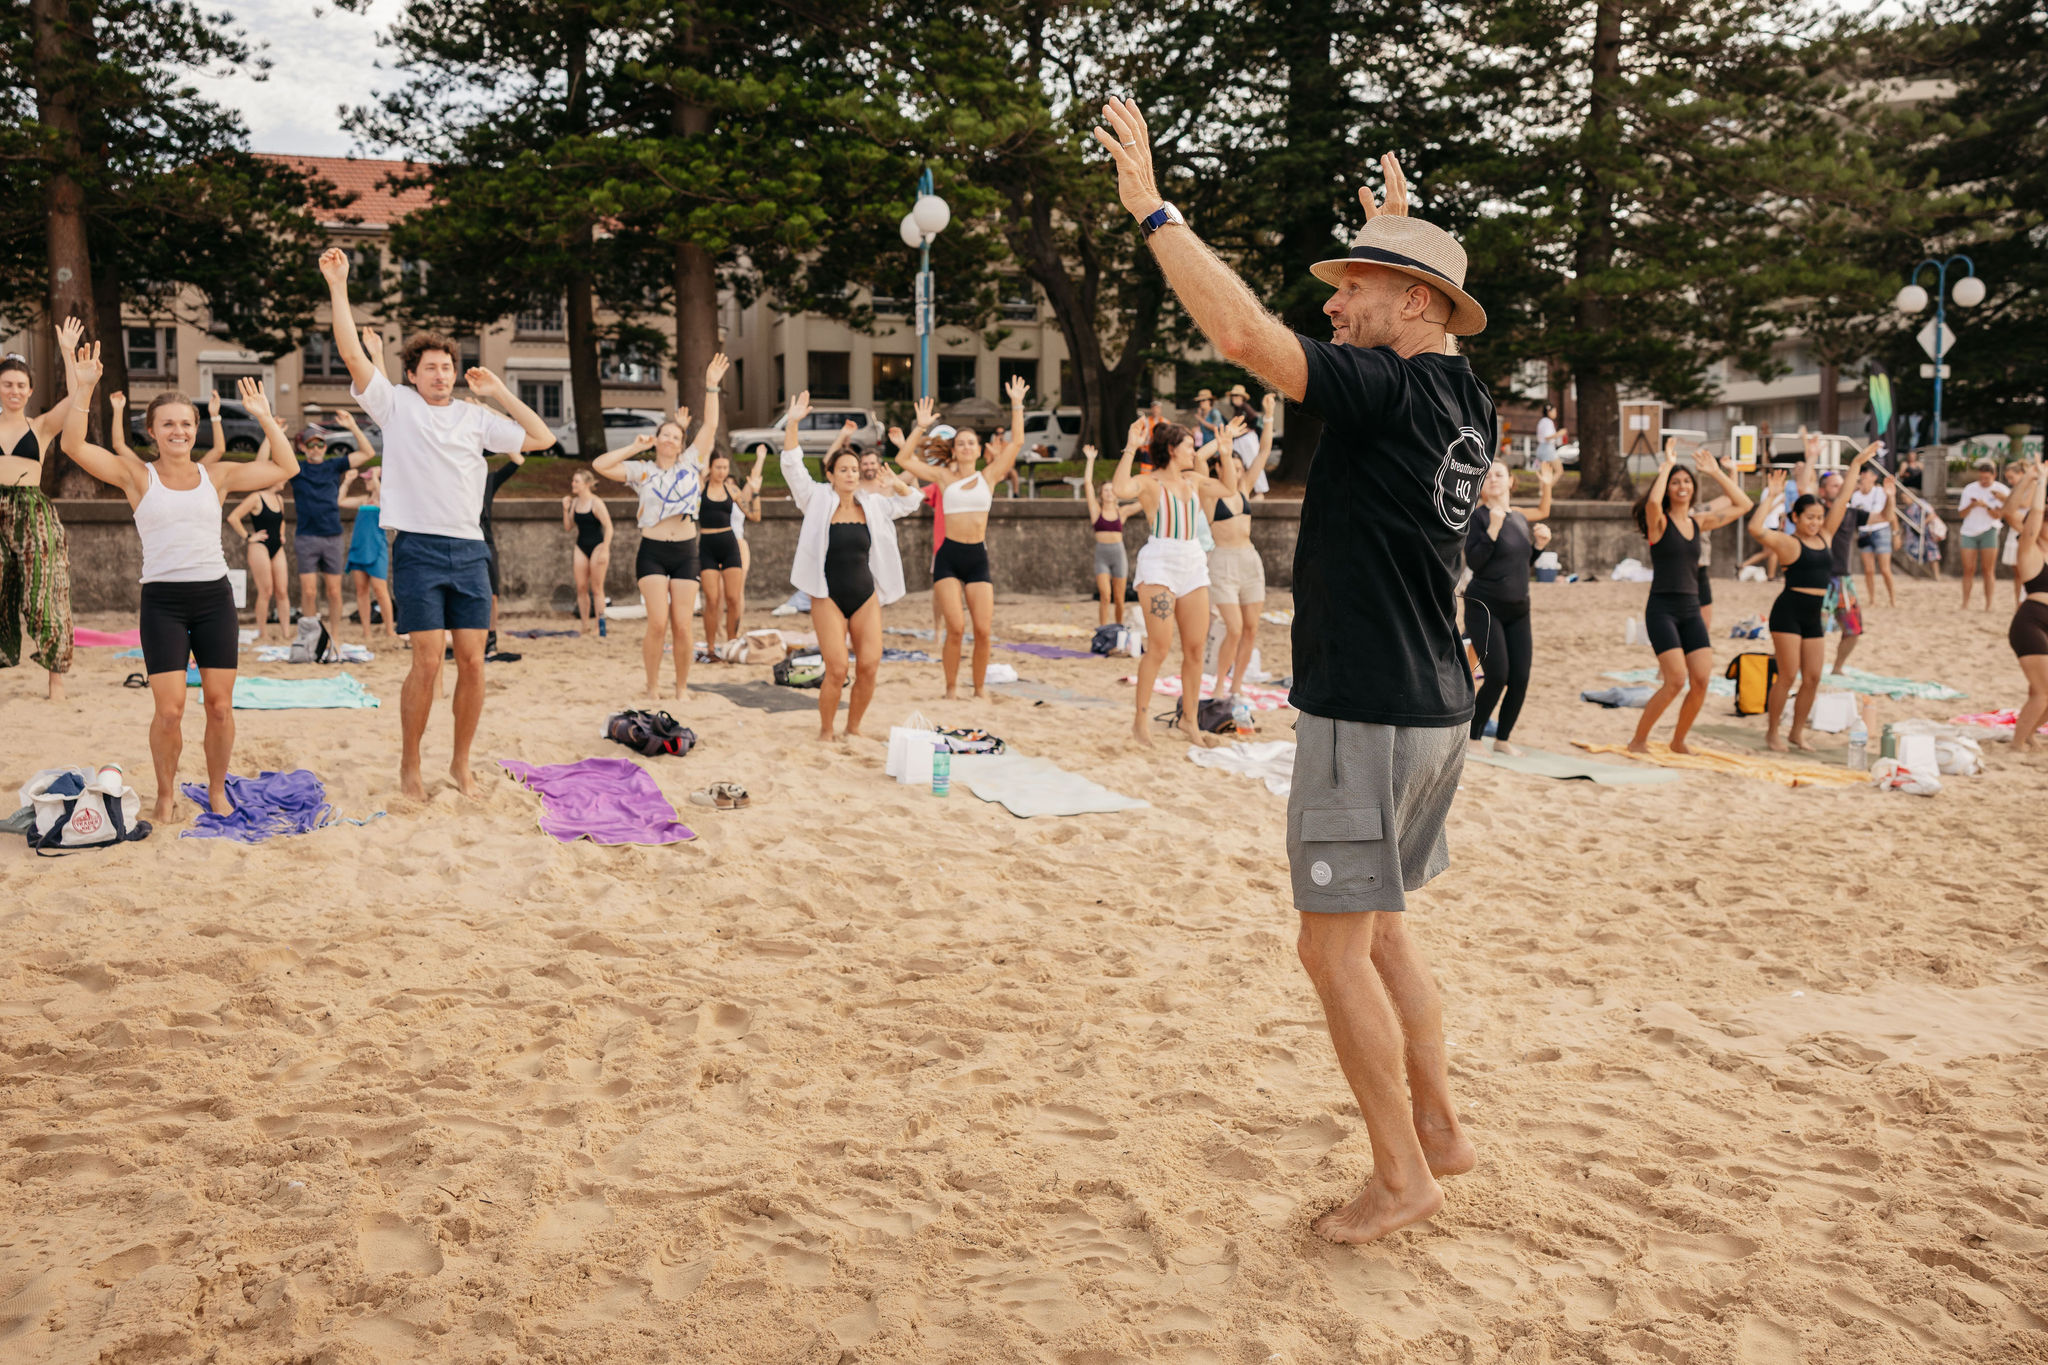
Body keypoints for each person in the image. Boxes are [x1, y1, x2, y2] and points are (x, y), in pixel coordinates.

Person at [1098, 105, 1481, 1241]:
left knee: (1328, 949)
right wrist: (1398, 238)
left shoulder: (1390, 387)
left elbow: (1247, 343)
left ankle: (1402, 1173)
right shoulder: (1462, 395)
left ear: (1412, 305)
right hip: (1433, 707)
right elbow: (1397, 319)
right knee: (1385, 930)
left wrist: (1156, 216)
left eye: (1351, 287)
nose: (1330, 302)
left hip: (1366, 707)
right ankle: (1444, 1130)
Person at [320, 246, 556, 800]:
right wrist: (338, 286)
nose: (442, 374)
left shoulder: (477, 417)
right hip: (418, 548)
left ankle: (461, 764)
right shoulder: (397, 406)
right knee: (427, 662)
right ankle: (410, 765)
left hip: (470, 550)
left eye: (448, 367)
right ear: (411, 374)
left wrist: (498, 393)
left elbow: (542, 439)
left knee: (474, 662)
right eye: (431, 367)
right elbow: (354, 357)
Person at [60, 351, 299, 819]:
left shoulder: (219, 474)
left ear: (196, 428)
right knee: (169, 712)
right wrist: (85, 388)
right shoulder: (137, 476)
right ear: (152, 431)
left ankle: (215, 790)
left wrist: (266, 418)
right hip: (163, 603)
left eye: (186, 424)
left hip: (213, 598)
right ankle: (165, 793)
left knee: (220, 708)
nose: (179, 432)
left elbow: (285, 468)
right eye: (168, 424)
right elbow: (73, 447)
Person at [779, 391, 921, 739]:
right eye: (843, 469)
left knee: (870, 665)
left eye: (854, 469)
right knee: (838, 668)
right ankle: (826, 731)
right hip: (827, 594)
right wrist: (793, 422)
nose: (850, 474)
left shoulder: (872, 505)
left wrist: (897, 482)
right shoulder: (815, 500)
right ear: (830, 474)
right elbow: (791, 465)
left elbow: (912, 502)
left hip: (864, 595)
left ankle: (853, 728)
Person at [592, 353, 727, 700]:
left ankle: (681, 688)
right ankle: (652, 686)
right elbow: (600, 465)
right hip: (652, 551)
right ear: (656, 440)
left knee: (682, 625)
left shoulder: (691, 462)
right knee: (657, 623)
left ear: (681, 442)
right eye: (663, 435)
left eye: (674, 436)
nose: (669, 439)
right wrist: (633, 448)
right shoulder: (643, 471)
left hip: (685, 551)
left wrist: (711, 386)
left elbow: (710, 427)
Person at [894, 374, 1027, 699]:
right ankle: (951, 689)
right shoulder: (942, 476)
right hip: (949, 557)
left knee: (982, 631)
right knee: (956, 629)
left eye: (971, 442)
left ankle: (979, 689)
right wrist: (920, 427)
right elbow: (902, 460)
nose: (966, 446)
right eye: (961, 443)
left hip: (977, 558)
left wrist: (1017, 405)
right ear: (954, 450)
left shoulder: (990, 476)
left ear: (979, 450)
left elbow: (1018, 443)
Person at [1626, 440, 1752, 754]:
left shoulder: (1699, 522)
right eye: (1675, 483)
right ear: (1667, 488)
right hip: (1662, 610)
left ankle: (1678, 740)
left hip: (1691, 609)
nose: (1681, 486)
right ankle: (1638, 740)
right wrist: (1667, 465)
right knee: (1675, 680)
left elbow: (1743, 505)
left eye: (1686, 481)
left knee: (1701, 680)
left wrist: (1716, 472)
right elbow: (1653, 502)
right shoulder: (1659, 523)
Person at [1746, 457, 1873, 752]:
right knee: (1788, 675)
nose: (1815, 522)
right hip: (1788, 612)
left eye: (1818, 517)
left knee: (1813, 678)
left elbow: (1843, 497)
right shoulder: (1789, 543)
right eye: (1809, 518)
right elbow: (1755, 528)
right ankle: (1772, 732)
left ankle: (1796, 733)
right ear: (1796, 518)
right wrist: (1772, 496)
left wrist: (1855, 464)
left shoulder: (1826, 536)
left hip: (1813, 616)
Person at [1112, 415, 1215, 744]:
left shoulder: (1193, 480)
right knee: (1158, 647)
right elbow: (1119, 489)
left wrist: (1223, 450)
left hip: (1193, 562)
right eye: (1188, 446)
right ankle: (1140, 721)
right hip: (1160, 564)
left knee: (1196, 649)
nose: (1194, 451)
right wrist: (1131, 446)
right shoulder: (1150, 483)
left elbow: (1228, 487)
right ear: (1172, 449)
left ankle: (1190, 720)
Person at [0, 320, 84, 700]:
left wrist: (67, 351)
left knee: (46, 593)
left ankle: (56, 678)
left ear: (30, 390)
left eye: (21, 385)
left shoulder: (42, 426)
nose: (14, 390)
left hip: (33, 512)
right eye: (7, 384)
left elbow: (78, 392)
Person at [1464, 458, 1555, 755]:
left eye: (1499, 474)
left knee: (1521, 677)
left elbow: (1519, 565)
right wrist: (1492, 529)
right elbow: (1477, 563)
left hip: (1519, 608)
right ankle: (1474, 737)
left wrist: (1539, 546)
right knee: (1498, 674)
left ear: (1510, 482)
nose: (1493, 479)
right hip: (1485, 608)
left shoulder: (1517, 517)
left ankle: (1503, 739)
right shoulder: (1477, 518)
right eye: (1487, 475)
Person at [1202, 402, 1277, 702]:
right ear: (1218, 467)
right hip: (1223, 562)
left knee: (1250, 629)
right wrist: (1223, 443)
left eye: (1238, 466)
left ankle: (1236, 687)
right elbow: (1197, 460)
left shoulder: (1245, 487)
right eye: (1229, 466)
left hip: (1249, 560)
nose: (1236, 470)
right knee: (1232, 629)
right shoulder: (1209, 492)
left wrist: (1268, 415)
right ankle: (1220, 684)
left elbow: (1264, 451)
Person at [288, 422, 376, 641]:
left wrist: (353, 426)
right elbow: (267, 463)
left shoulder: (334, 466)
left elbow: (368, 452)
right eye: (311, 445)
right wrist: (274, 432)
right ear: (303, 448)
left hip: (332, 537)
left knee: (334, 592)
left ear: (325, 447)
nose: (316, 448)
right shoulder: (297, 469)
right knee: (309, 592)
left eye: (320, 444)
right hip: (306, 537)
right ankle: (312, 637)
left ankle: (335, 636)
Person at [696, 446, 765, 659]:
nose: (722, 471)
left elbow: (754, 516)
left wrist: (755, 492)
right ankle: (709, 647)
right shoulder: (700, 488)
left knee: (733, 598)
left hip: (729, 544)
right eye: (718, 467)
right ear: (710, 467)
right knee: (712, 598)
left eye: (725, 467)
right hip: (707, 545)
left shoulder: (732, 490)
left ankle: (731, 642)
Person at [2002, 462, 2047, 753]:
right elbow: (2016, 514)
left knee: (2041, 691)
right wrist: (2037, 480)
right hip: (2030, 623)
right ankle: (2017, 744)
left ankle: (2029, 734)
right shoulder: (2029, 549)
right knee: (2043, 692)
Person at [227, 477, 292, 645]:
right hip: (259, 546)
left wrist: (282, 535)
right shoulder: (256, 497)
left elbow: (282, 520)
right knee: (266, 591)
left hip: (277, 546)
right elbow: (233, 517)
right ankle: (263, 633)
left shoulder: (279, 499)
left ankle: (286, 632)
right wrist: (249, 537)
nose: (285, 480)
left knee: (282, 591)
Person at [335, 465, 395, 646]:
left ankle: (389, 630)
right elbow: (341, 501)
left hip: (376, 550)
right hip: (359, 550)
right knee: (361, 592)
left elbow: (382, 494)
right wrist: (347, 482)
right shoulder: (364, 500)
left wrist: (377, 476)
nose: (366, 481)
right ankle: (366, 631)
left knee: (380, 590)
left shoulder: (384, 500)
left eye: (369, 478)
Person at [1082, 444, 1139, 626]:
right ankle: (1103, 629)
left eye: (1111, 490)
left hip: (1118, 553)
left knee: (1120, 598)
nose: (1108, 493)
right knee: (1105, 596)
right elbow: (1087, 485)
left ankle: (1119, 628)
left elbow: (1143, 502)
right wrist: (1090, 460)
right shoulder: (1095, 511)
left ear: (1116, 494)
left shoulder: (1122, 512)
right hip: (1102, 554)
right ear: (1101, 494)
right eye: (1105, 490)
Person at [561, 469, 614, 637]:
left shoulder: (596, 502)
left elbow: (609, 527)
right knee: (581, 587)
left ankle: (601, 626)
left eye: (576, 481)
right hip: (581, 546)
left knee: (597, 588)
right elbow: (568, 527)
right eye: (573, 481)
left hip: (597, 546)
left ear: (586, 484)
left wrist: (605, 549)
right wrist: (565, 508)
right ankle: (585, 625)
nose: (573, 484)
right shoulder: (575, 503)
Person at [1957, 459, 2008, 611]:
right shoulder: (1969, 489)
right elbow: (1961, 513)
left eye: (1987, 478)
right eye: (1981, 478)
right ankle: (1965, 603)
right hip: (1969, 530)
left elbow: (1998, 516)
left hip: (1990, 529)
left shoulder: (2001, 490)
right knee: (1968, 569)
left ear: (1994, 475)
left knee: (1988, 569)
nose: (1983, 481)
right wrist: (1973, 505)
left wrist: (1986, 506)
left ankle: (1989, 604)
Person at [1850, 461, 1898, 607]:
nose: (1863, 475)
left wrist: (1896, 533)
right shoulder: (1856, 495)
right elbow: (1852, 515)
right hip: (1864, 533)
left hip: (1881, 530)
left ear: (1874, 477)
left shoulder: (1881, 492)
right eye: (1862, 473)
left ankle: (1892, 599)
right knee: (1869, 570)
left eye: (1867, 473)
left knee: (1884, 569)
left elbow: (1891, 514)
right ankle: (1872, 599)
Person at [1224, 382, 1271, 497]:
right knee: (1240, 464)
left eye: (1236, 396)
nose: (1234, 398)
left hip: (1247, 439)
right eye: (1233, 396)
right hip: (1240, 439)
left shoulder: (1245, 407)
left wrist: (1250, 429)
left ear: (1242, 397)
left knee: (1253, 462)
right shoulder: (1238, 409)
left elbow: (1255, 419)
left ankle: (1260, 491)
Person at [1532, 402, 1565, 469]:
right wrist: (1560, 433)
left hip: (1543, 448)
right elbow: (1547, 437)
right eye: (1554, 411)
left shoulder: (1542, 421)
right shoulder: (1547, 422)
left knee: (1547, 472)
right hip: (1547, 449)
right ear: (1548, 412)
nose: (1556, 413)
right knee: (1558, 471)